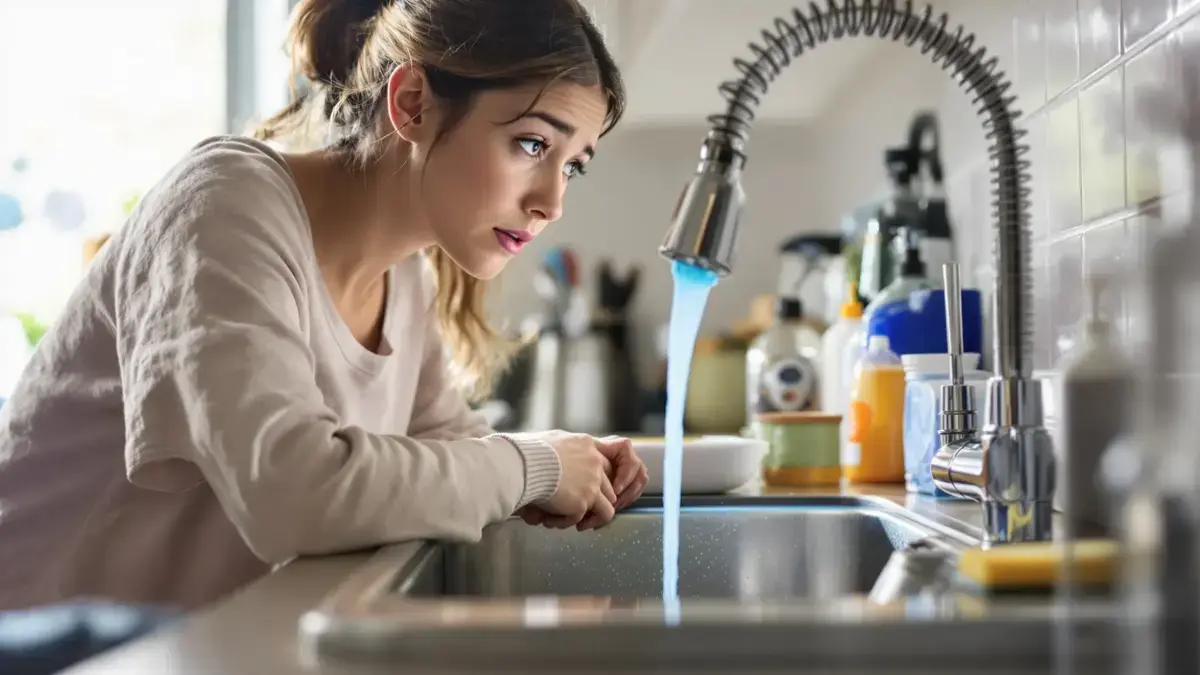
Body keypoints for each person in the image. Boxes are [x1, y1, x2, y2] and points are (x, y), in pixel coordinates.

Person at [0, 0, 647, 614]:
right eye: (534, 145)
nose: (551, 203)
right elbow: (295, 491)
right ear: (413, 103)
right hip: (43, 646)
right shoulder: (225, 207)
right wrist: (535, 465)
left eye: (572, 166)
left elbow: (447, 454)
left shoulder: (408, 277)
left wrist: (569, 464)